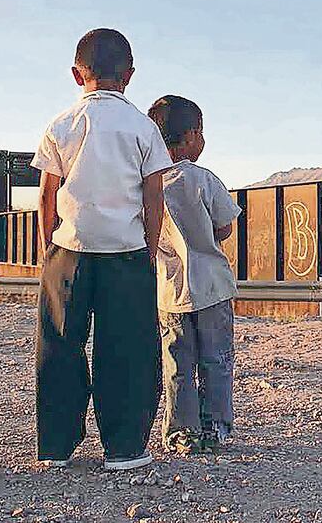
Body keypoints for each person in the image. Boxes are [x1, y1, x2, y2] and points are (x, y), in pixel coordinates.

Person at [32, 28, 173, 471]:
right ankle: (125, 447)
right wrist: (149, 247)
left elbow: (46, 194)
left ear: (77, 74)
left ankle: (56, 446)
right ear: (129, 75)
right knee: (127, 347)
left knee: (59, 344)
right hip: (126, 252)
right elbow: (154, 195)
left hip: (68, 249)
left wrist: (46, 247)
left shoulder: (61, 124)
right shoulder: (144, 127)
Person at [147, 95, 241, 454]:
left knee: (177, 360)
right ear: (190, 136)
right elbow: (225, 228)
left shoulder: (151, 185)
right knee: (216, 358)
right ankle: (215, 424)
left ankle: (178, 431)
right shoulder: (203, 179)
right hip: (212, 288)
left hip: (170, 291)